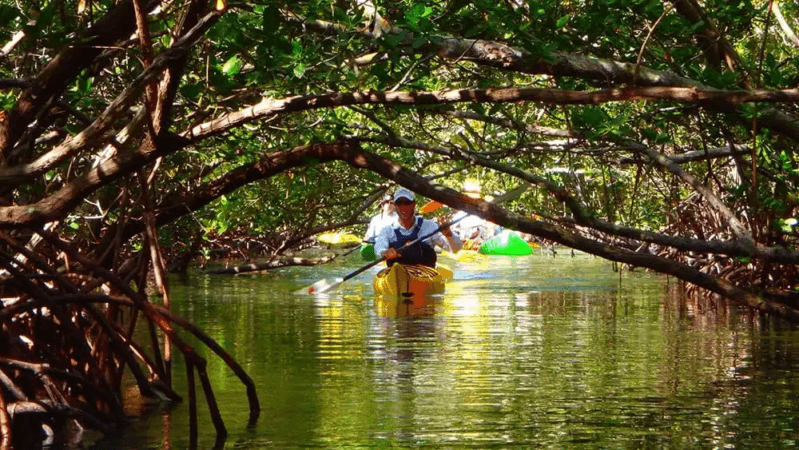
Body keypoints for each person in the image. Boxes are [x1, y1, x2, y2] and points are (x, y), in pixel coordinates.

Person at [374, 188, 462, 268]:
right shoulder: (387, 231)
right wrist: (384, 252)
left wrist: (448, 234)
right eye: (399, 203)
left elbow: (455, 249)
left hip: (426, 276)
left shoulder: (430, 226)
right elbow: (378, 250)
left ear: (414, 204)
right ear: (395, 205)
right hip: (397, 275)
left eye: (407, 202)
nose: (403, 207)